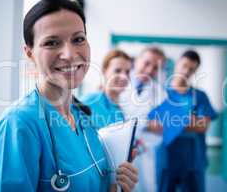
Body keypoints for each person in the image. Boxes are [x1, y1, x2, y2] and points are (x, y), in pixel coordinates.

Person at [0, 0, 138, 192]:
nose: (70, 54)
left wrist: (119, 186)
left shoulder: (84, 119)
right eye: (52, 43)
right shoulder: (18, 125)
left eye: (78, 39)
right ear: (29, 53)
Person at [148, 50, 217, 192]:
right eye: (184, 65)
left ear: (195, 71)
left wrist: (169, 118)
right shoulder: (159, 93)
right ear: (177, 63)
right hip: (165, 159)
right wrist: (189, 119)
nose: (186, 71)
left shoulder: (200, 96)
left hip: (193, 160)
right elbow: (153, 125)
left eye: (191, 69)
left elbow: (203, 126)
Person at [119, 47, 167, 192]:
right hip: (119, 148)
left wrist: (141, 123)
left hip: (145, 150)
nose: (149, 70)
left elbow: (165, 126)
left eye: (155, 67)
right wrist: (146, 122)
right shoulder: (119, 82)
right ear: (136, 61)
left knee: (147, 185)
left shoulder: (161, 93)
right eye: (147, 63)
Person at [81, 49, 132, 129]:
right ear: (104, 71)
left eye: (127, 72)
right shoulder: (89, 102)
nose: (124, 77)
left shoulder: (119, 111)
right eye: (117, 71)